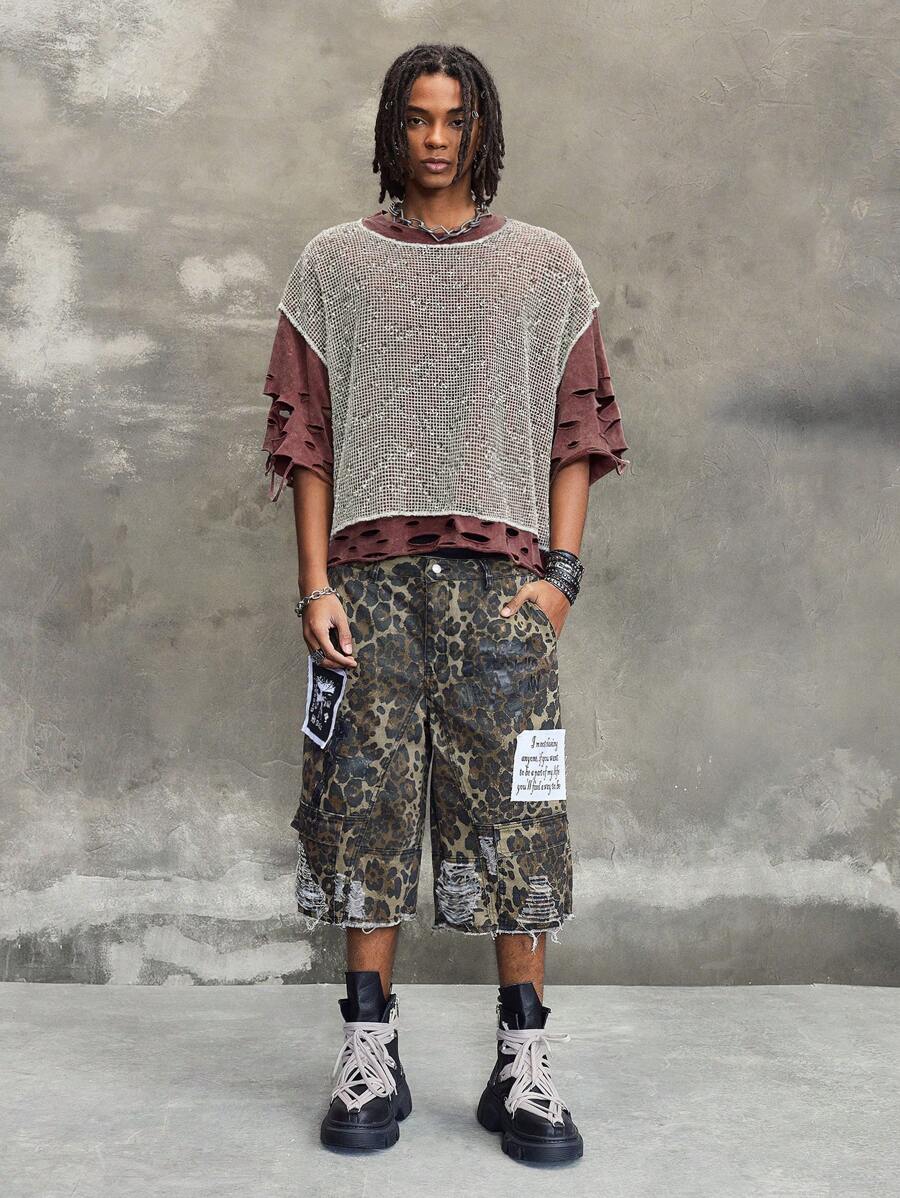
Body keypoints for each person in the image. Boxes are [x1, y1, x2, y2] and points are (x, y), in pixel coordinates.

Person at [260, 42, 630, 1164]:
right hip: (367, 593)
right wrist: (315, 585)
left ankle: (524, 1063)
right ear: (392, 128)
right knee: (363, 810)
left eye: (454, 119)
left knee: (519, 817)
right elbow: (307, 437)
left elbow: (578, 429)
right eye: (417, 118)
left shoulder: (545, 268)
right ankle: (368, 1051)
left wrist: (559, 581)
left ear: (481, 131)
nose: (434, 138)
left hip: (501, 597)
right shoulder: (332, 266)